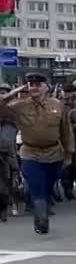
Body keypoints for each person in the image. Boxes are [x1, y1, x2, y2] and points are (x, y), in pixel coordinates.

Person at [0, 73, 74, 234]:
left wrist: (69, 154)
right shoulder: (19, 106)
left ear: (46, 87)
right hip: (30, 152)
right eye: (31, 84)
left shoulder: (58, 105)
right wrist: (14, 92)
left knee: (48, 185)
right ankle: (41, 220)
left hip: (54, 152)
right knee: (36, 185)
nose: (34, 87)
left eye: (38, 84)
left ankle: (44, 205)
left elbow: (66, 131)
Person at [0, 83, 18, 222]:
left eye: (4, 92)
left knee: (6, 184)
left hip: (6, 154)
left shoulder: (14, 110)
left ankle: (6, 207)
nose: (2, 95)